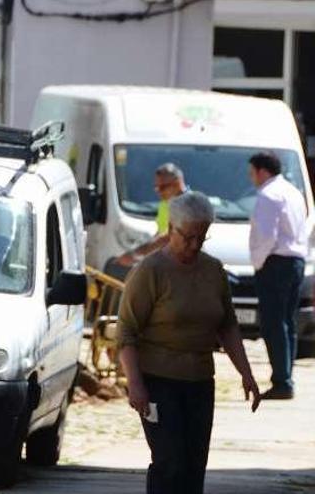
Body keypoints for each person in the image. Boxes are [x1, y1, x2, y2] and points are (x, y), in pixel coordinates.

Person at [118, 191, 260, 494]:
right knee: (170, 462)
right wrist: (135, 383)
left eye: (202, 238)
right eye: (189, 237)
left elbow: (228, 325)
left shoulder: (213, 270)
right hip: (158, 381)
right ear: (171, 230)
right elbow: (126, 332)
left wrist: (246, 373)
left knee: (194, 466)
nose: (195, 245)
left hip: (199, 381)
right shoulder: (150, 271)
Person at [248, 152, 306, 400]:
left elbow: (266, 236)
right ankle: (286, 377)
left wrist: (258, 264)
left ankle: (282, 380)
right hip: (295, 261)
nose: (251, 178)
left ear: (262, 171)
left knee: (274, 323)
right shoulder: (293, 192)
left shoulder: (268, 195)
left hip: (276, 263)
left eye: (252, 172)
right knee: (287, 323)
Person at [114, 163, 188, 268]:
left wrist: (136, 253)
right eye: (156, 187)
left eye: (162, 187)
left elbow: (169, 237)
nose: (159, 192)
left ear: (177, 184)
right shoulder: (165, 204)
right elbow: (160, 234)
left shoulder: (189, 205)